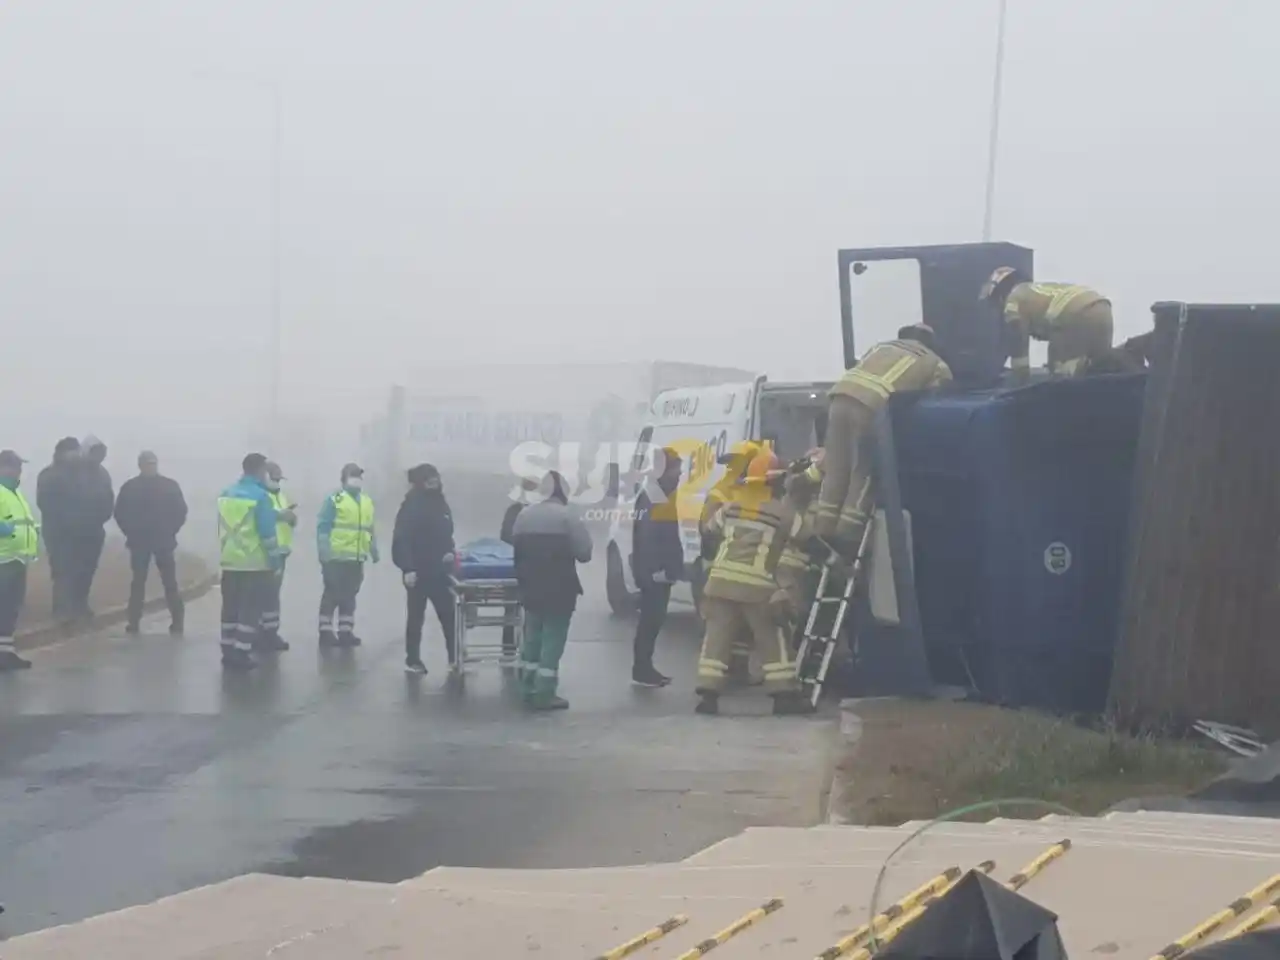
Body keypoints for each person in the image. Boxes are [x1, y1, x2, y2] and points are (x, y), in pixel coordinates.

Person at [695, 447, 814, 716]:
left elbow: (710, 530)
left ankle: (708, 696)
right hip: (757, 588)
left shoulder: (730, 507)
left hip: (719, 583)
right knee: (773, 638)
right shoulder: (781, 513)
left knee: (716, 639)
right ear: (774, 482)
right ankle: (784, 697)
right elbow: (806, 535)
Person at [817, 324, 952, 552]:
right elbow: (934, 404)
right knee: (865, 470)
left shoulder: (880, 348)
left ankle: (822, 530)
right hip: (872, 407)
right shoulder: (936, 362)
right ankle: (847, 536)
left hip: (839, 399)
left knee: (837, 466)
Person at [511, 470, 593, 710]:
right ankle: (544, 693)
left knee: (532, 637)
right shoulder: (568, 516)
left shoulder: (524, 515)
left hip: (530, 587)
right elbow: (585, 554)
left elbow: (515, 550)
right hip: (560, 589)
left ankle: (526, 687)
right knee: (553, 640)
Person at [980, 267, 1114, 380]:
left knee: (1060, 376)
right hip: (1102, 308)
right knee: (1101, 369)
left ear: (1001, 292)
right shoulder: (1035, 290)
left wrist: (1020, 374)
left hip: (1072, 313)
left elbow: (1017, 334)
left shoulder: (1013, 298)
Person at [217, 453, 282, 670]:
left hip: (230, 561)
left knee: (230, 608)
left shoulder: (226, 494)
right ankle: (241, 651)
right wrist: (275, 561)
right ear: (259, 470)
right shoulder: (260, 497)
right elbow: (267, 535)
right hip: (254, 563)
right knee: (251, 610)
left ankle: (227, 649)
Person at [113, 450, 188, 635]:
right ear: (140, 465)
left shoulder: (169, 486)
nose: (150, 467)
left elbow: (181, 512)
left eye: (152, 463)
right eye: (147, 463)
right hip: (141, 542)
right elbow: (120, 513)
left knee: (169, 583)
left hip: (162, 541)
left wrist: (170, 531)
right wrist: (130, 532)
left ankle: (178, 621)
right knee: (138, 583)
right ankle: (134, 622)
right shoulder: (130, 487)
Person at [392, 463, 457, 674]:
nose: (434, 481)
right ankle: (412, 660)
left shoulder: (440, 502)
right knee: (415, 618)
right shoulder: (411, 504)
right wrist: (407, 568)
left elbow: (447, 532)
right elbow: (402, 538)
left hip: (441, 571)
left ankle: (455, 659)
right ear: (420, 481)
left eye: (436, 476)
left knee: (449, 616)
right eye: (429, 478)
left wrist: (450, 551)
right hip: (418, 572)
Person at [629, 447, 683, 687]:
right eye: (676, 469)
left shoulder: (661, 493)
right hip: (654, 572)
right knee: (650, 621)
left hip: (659, 570)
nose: (680, 474)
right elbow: (648, 536)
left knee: (653, 620)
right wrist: (656, 570)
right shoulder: (653, 495)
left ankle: (644, 667)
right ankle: (642, 669)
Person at [316, 462, 378, 648]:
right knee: (332, 595)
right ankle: (325, 632)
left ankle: (345, 631)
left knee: (350, 596)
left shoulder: (366, 501)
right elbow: (323, 527)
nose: (357, 479)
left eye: (359, 475)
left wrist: (373, 549)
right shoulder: (334, 499)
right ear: (344, 478)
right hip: (335, 558)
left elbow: (369, 528)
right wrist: (324, 552)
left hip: (356, 558)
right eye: (353, 475)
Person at [35, 437, 82, 620]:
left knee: (78, 569)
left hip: (78, 530)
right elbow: (44, 503)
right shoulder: (49, 475)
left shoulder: (79, 474)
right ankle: (62, 610)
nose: (76, 455)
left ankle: (74, 607)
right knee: (62, 570)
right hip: (57, 531)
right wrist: (68, 519)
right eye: (72, 451)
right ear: (62, 453)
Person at [0, 450, 37, 671]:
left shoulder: (15, 492)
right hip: (2, 560)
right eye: (15, 466)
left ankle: (6, 652)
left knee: (11, 608)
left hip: (18, 559)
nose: (19, 471)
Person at [72, 435, 115, 618]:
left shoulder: (103, 474)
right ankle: (68, 606)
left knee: (89, 568)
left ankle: (82, 602)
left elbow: (109, 498)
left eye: (100, 453)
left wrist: (102, 517)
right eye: (94, 452)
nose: (97, 456)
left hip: (95, 528)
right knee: (72, 568)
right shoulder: (74, 471)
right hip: (74, 529)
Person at [258, 461, 296, 651]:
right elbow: (263, 518)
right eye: (274, 478)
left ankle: (270, 632)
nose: (277, 482)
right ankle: (260, 633)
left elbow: (285, 521)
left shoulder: (280, 494)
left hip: (281, 552)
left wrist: (291, 519)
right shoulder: (261, 495)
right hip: (265, 551)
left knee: (273, 596)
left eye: (279, 479)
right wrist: (280, 515)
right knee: (263, 594)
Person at [500, 476, 539, 658]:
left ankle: (509, 649)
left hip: (516, 567)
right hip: (529, 568)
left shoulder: (514, 511)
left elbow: (505, 538)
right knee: (529, 612)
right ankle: (523, 650)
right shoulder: (538, 512)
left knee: (513, 610)